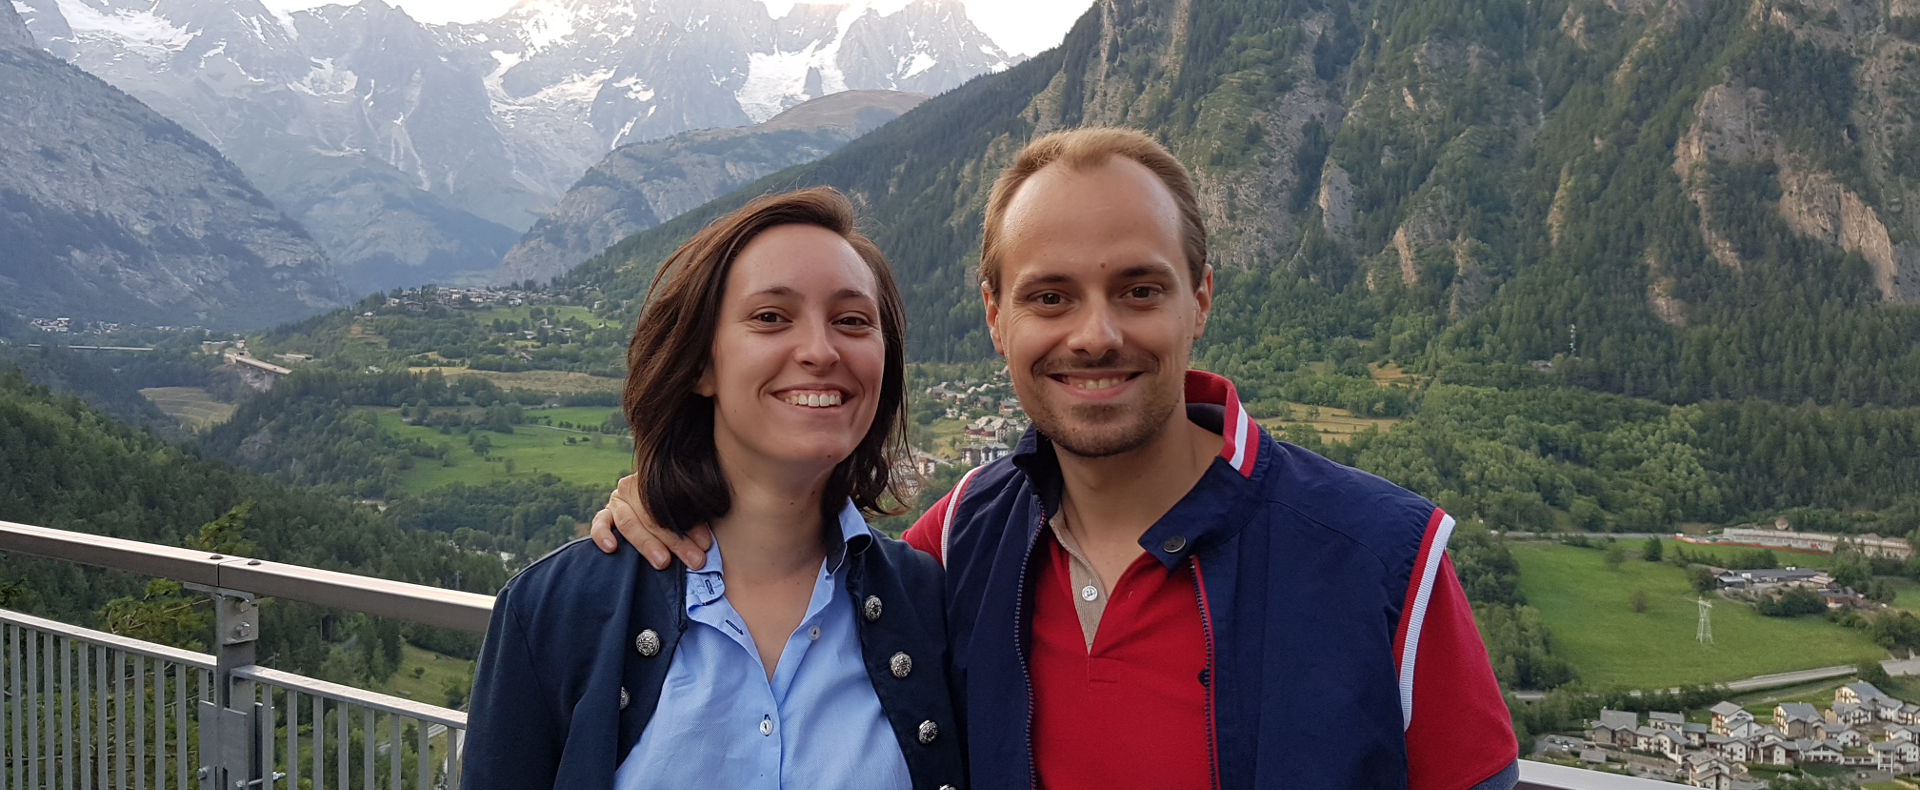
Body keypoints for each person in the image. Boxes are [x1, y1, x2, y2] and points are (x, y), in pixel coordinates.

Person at [592, 129, 1518, 789]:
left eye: (1139, 290)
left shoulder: (1387, 563)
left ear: (1199, 300)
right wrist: (666, 501)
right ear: (995, 315)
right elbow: (792, 556)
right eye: (1050, 297)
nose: (1096, 334)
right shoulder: (962, 540)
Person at [464, 188, 965, 790]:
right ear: (702, 365)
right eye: (771, 317)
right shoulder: (552, 613)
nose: (821, 350)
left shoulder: (933, 607)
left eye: (852, 321)